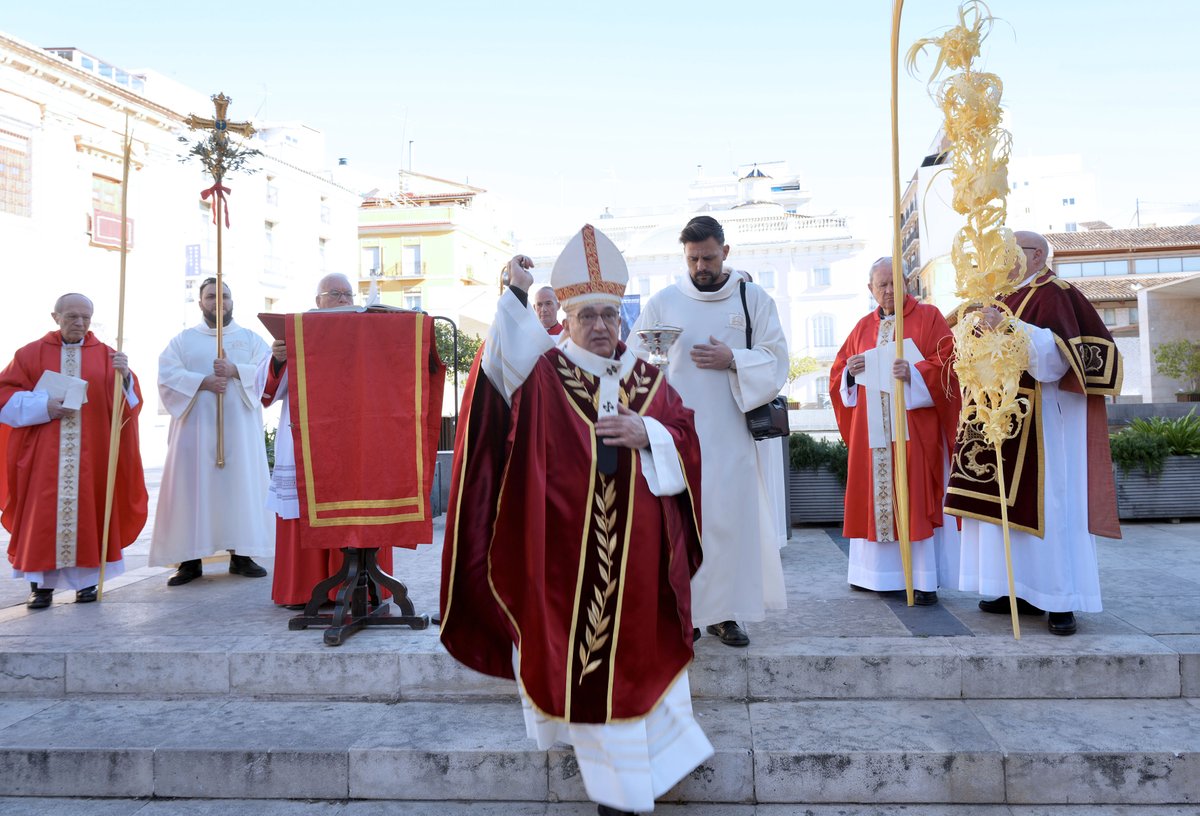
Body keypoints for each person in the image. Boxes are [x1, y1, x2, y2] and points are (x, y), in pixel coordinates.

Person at [440, 226, 712, 816]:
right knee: (590, 675)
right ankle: (619, 796)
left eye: (609, 315)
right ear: (563, 317)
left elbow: (687, 436)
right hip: (566, 563)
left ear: (622, 319)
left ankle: (658, 769)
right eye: (586, 314)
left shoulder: (645, 376)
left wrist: (651, 433)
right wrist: (514, 291)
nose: (600, 326)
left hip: (641, 570)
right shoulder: (544, 372)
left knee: (646, 665)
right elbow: (499, 363)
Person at [946, 231, 1122, 635]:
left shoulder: (1056, 293)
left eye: (1007, 252)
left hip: (1042, 423)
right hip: (993, 417)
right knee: (998, 510)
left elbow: (1062, 361)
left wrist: (1008, 329)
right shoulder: (997, 296)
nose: (998, 260)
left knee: (1051, 506)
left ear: (1036, 254)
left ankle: (1060, 600)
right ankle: (1013, 589)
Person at [628, 215, 788, 647]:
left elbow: (777, 361)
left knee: (726, 523)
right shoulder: (663, 301)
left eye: (709, 257)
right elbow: (633, 360)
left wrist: (734, 359)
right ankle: (685, 614)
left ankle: (723, 615)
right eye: (693, 258)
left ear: (726, 253)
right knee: (681, 523)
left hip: (731, 434)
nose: (701, 266)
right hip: (675, 439)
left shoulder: (753, 299)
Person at [0, 293, 147, 608]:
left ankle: (87, 583)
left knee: (89, 512)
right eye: (71, 317)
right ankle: (41, 586)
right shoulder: (29, 354)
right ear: (55, 317)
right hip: (42, 454)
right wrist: (44, 405)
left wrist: (125, 378)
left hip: (91, 455)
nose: (79, 323)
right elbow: (4, 394)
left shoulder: (108, 356)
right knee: (42, 516)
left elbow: (128, 409)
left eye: (85, 317)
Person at [258, 273, 395, 608]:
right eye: (335, 293)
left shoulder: (366, 331)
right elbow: (265, 391)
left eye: (348, 293)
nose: (344, 299)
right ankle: (304, 590)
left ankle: (364, 585)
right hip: (307, 441)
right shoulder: (299, 331)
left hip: (356, 440)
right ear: (318, 300)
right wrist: (279, 358)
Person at [829, 258, 961, 604]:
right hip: (872, 434)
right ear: (870, 289)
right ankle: (872, 574)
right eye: (881, 285)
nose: (888, 291)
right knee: (872, 494)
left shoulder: (929, 317)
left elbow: (950, 367)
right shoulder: (861, 327)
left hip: (912, 429)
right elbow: (838, 374)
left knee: (913, 495)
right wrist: (849, 372)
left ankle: (921, 579)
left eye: (894, 283)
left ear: (908, 283)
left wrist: (915, 373)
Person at [148, 279, 273, 584]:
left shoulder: (251, 339)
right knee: (191, 490)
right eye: (211, 297)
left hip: (240, 433)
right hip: (195, 434)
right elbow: (166, 376)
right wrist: (202, 382)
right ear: (200, 302)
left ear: (233, 300)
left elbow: (268, 371)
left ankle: (241, 555)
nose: (219, 302)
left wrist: (235, 371)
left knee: (239, 488)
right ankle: (189, 561)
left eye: (225, 296)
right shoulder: (182, 340)